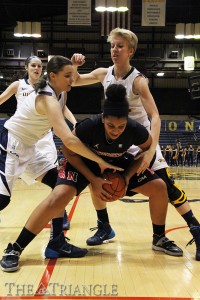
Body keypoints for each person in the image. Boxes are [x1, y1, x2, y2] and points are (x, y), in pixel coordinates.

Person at [1, 83, 182, 272]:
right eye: (111, 125)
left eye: (121, 126)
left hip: (117, 164)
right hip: (84, 163)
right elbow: (68, 151)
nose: (115, 130)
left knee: (160, 187)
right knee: (58, 196)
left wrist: (127, 176)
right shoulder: (89, 126)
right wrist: (93, 180)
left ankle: (159, 238)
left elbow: (146, 151)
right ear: (103, 118)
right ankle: (15, 248)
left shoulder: (136, 130)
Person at [71, 27, 200, 261]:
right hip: (112, 138)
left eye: (120, 46)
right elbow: (75, 80)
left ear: (130, 51)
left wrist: (151, 149)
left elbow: (156, 116)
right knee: (97, 176)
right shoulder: (104, 73)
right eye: (112, 46)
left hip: (139, 141)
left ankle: (192, 230)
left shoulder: (138, 81)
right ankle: (103, 226)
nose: (114, 50)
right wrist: (75, 65)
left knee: (166, 186)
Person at [0, 56, 123, 272]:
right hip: (11, 142)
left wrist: (74, 67)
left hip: (30, 147)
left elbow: (72, 78)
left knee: (59, 189)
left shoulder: (60, 90)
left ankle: (56, 242)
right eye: (67, 76)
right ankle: (12, 250)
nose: (72, 79)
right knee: (2, 200)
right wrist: (99, 160)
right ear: (53, 76)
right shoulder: (46, 97)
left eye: (72, 75)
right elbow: (68, 140)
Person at [0, 55, 71, 230]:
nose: (36, 68)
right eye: (33, 65)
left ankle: (57, 239)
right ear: (26, 67)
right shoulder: (22, 86)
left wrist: (75, 124)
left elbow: (63, 110)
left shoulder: (57, 92)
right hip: (15, 139)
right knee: (3, 199)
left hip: (37, 138)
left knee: (58, 184)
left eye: (39, 66)